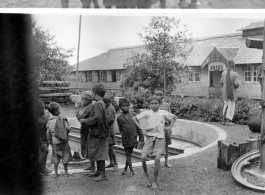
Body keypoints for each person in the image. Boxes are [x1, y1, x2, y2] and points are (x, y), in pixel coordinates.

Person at [132, 96, 177, 189]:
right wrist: (140, 127)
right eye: (152, 103)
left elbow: (174, 117)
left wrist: (169, 127)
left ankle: (154, 181)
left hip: (160, 138)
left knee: (157, 159)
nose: (154, 105)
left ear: (159, 104)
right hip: (149, 138)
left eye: (156, 103)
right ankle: (146, 175)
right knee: (143, 157)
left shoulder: (163, 113)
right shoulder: (147, 113)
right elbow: (134, 118)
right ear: (149, 104)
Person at [80, 84, 109, 182]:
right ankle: (98, 171)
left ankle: (102, 174)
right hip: (99, 131)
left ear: (95, 93)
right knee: (97, 152)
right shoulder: (100, 102)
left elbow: (97, 117)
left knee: (100, 153)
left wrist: (85, 121)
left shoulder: (98, 104)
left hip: (99, 132)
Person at [117, 98, 144, 177]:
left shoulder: (134, 115)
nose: (125, 107)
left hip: (133, 137)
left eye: (127, 106)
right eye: (123, 106)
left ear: (129, 106)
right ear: (120, 107)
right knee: (127, 154)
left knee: (129, 154)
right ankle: (131, 170)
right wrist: (124, 134)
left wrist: (141, 137)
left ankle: (126, 169)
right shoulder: (119, 118)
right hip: (125, 138)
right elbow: (120, 128)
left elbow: (138, 127)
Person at [46, 102, 73, 178]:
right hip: (64, 141)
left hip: (55, 142)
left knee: (55, 157)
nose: (60, 110)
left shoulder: (49, 121)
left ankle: (56, 173)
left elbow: (48, 133)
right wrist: (69, 128)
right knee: (65, 156)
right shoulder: (63, 119)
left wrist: (50, 142)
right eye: (59, 109)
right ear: (56, 111)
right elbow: (68, 129)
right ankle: (66, 172)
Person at [154, 90, 172, 168]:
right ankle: (156, 163)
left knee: (166, 146)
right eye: (157, 94)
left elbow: (170, 117)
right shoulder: (153, 105)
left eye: (161, 94)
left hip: (164, 127)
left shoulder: (166, 105)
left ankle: (166, 162)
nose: (159, 96)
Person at [76, 91, 94, 170]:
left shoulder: (89, 107)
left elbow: (81, 118)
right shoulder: (88, 107)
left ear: (87, 100)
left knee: (88, 147)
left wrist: (77, 112)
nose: (81, 101)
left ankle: (92, 166)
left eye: (82, 100)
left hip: (87, 130)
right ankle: (92, 165)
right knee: (87, 148)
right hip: (85, 129)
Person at [220, 60, 239, 125]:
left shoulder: (223, 73)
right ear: (233, 65)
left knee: (226, 105)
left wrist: (225, 87)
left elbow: (221, 83)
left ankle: (223, 120)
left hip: (225, 91)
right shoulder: (235, 74)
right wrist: (236, 86)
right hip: (231, 91)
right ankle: (228, 121)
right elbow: (236, 84)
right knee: (231, 105)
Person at [103, 96, 118, 172]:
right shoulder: (108, 108)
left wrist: (102, 124)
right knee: (109, 148)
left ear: (107, 102)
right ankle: (111, 162)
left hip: (109, 131)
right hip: (107, 130)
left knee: (111, 148)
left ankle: (115, 163)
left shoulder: (110, 109)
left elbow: (110, 119)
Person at [38, 100, 52, 176]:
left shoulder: (45, 114)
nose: (43, 109)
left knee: (45, 153)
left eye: (44, 107)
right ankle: (39, 169)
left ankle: (43, 168)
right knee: (42, 153)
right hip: (40, 139)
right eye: (41, 108)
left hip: (46, 138)